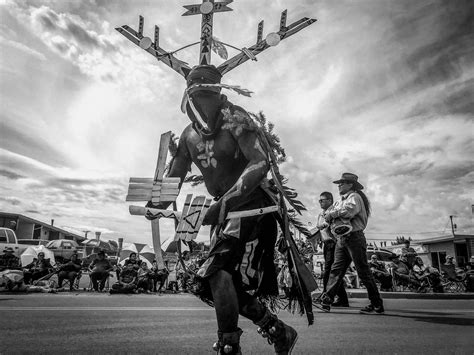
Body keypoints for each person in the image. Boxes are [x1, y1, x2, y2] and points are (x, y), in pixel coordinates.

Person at [146, 65, 303, 354]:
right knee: (213, 281)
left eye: (206, 96)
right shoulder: (188, 135)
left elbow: (259, 162)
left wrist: (224, 203)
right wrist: (156, 204)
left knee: (216, 273)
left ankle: (230, 346)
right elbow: (175, 175)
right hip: (224, 213)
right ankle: (277, 330)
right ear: (187, 102)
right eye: (195, 99)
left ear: (218, 95)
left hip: (252, 207)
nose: (200, 107)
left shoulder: (236, 120)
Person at [315, 172, 384, 314]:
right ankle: (327, 299)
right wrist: (329, 217)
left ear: (350, 185)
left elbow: (349, 211)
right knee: (336, 270)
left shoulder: (354, 197)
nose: (339, 185)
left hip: (354, 238)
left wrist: (332, 214)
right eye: (339, 183)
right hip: (342, 239)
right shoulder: (340, 201)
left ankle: (376, 303)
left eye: (342, 182)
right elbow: (333, 212)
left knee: (363, 271)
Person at [316, 191, 349, 307]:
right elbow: (320, 228)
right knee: (332, 272)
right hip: (326, 244)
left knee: (329, 271)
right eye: (319, 200)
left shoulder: (333, 212)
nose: (320, 202)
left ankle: (325, 296)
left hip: (333, 243)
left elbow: (332, 225)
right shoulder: (321, 214)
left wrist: (325, 225)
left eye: (322, 200)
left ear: (330, 200)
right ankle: (343, 299)